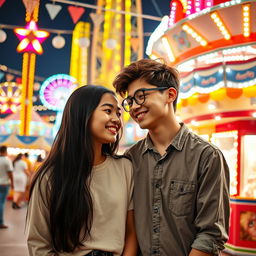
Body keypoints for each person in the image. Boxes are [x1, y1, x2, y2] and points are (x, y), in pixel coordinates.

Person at [113, 59, 230, 256]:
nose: (133, 107)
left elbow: (210, 235)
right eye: (130, 101)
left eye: (141, 96)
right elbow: (128, 228)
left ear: (170, 94)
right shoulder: (130, 159)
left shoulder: (207, 156)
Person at [26, 85, 137, 256]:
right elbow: (38, 243)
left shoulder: (125, 168)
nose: (116, 119)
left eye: (119, 113)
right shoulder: (49, 177)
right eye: (108, 111)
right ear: (82, 114)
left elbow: (131, 233)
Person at [0, 145, 14, 228]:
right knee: (1, 203)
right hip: (4, 184)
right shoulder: (7, 160)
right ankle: (1, 222)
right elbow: (10, 173)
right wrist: (12, 183)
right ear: (5, 151)